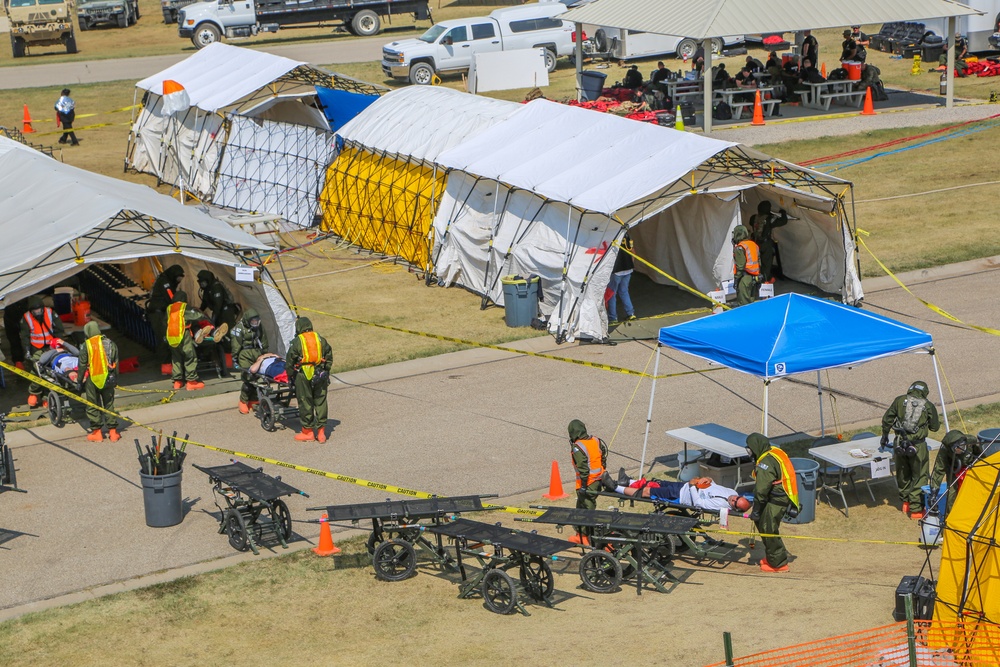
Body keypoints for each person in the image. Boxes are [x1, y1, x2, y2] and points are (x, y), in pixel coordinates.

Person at [881, 381, 940, 519]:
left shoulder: (899, 400)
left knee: (902, 473)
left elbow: (887, 419)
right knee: (919, 475)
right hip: (918, 446)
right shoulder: (928, 406)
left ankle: (905, 502)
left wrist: (884, 435)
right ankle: (916, 510)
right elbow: (935, 427)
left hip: (899, 443)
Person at [746, 432, 800, 573]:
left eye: (750, 449)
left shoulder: (765, 463)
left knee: (768, 528)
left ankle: (778, 564)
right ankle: (772, 557)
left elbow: (761, 490)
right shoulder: (775, 451)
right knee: (765, 526)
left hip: (776, 500)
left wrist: (756, 511)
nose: (749, 452)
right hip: (781, 496)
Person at [603, 471, 752, 513]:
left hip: (681, 496)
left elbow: (699, 503)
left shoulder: (721, 506)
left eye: (734, 503)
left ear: (734, 508)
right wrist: (707, 479)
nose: (733, 499)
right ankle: (627, 481)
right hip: (685, 487)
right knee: (656, 483)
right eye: (736, 498)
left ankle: (614, 487)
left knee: (648, 492)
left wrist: (694, 486)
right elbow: (714, 485)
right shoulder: (731, 491)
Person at [285, 316, 332, 443]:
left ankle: (308, 432)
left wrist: (290, 374)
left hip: (303, 374)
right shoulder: (320, 339)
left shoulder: (297, 341)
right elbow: (329, 355)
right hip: (320, 374)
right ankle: (321, 433)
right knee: (320, 401)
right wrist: (326, 370)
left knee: (305, 401)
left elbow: (290, 360)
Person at [567, 419, 608, 545]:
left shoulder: (578, 447)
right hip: (598, 480)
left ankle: (591, 538)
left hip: (587, 483)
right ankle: (581, 535)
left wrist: (584, 486)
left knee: (587, 510)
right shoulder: (595, 440)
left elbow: (583, 469)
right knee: (581, 508)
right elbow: (603, 455)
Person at [78, 321, 120, 442]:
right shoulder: (111, 343)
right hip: (108, 378)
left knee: (92, 405)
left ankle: (97, 433)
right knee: (109, 404)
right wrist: (115, 379)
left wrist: (80, 381)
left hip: (93, 379)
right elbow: (116, 363)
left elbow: (82, 364)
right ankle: (113, 433)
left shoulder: (87, 345)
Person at [20, 295, 65, 407]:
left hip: (50, 347)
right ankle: (34, 393)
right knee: (37, 371)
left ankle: (46, 397)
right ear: (31, 310)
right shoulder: (26, 317)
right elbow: (24, 336)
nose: (37, 312)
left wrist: (57, 343)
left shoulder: (50, 313)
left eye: (39, 310)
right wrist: (27, 351)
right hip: (36, 347)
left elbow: (59, 329)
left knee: (51, 372)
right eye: (35, 310)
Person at [197, 269, 238, 378]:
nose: (201, 284)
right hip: (219, 312)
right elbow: (205, 302)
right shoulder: (207, 289)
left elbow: (218, 306)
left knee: (228, 336)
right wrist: (199, 311)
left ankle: (230, 362)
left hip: (226, 313)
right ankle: (223, 357)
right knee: (220, 336)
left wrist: (213, 320)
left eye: (203, 281)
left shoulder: (216, 287)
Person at [930, 430, 982, 515]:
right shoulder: (944, 449)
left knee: (973, 494)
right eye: (956, 449)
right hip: (953, 470)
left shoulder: (971, 440)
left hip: (970, 469)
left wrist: (975, 464)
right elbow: (938, 470)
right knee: (951, 495)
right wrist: (934, 492)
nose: (959, 450)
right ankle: (950, 518)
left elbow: (981, 455)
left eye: (962, 447)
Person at [165, 291, 207, 392]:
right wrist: (201, 314)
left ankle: (177, 382)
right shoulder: (184, 307)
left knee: (176, 358)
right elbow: (197, 316)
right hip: (183, 334)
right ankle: (191, 382)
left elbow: (165, 321)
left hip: (171, 336)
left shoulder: (169, 308)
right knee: (190, 356)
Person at [147, 265, 185, 369]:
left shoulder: (165, 279)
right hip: (158, 313)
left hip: (161, 312)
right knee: (164, 338)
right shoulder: (165, 282)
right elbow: (171, 298)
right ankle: (166, 366)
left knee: (165, 338)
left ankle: (168, 363)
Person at [232, 308, 269, 414]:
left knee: (256, 377)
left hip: (257, 354)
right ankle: (243, 401)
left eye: (256, 321)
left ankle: (253, 399)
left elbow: (264, 339)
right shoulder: (239, 329)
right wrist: (235, 358)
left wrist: (264, 354)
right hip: (244, 355)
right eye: (253, 321)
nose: (255, 323)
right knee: (248, 378)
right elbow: (236, 345)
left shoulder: (259, 327)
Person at [749, 201, 788, 283]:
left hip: (755, 243)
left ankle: (756, 278)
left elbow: (750, 223)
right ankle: (765, 280)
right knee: (766, 263)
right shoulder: (769, 219)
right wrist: (783, 213)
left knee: (757, 262)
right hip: (765, 244)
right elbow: (783, 221)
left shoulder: (754, 218)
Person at [607, 233, 635, 324]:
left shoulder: (610, 234)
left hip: (616, 270)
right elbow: (633, 251)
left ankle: (613, 318)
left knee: (611, 294)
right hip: (628, 268)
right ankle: (630, 313)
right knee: (624, 291)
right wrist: (631, 264)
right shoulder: (626, 235)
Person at [731, 225, 759, 306]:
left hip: (744, 278)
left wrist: (736, 280)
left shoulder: (740, 248)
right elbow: (759, 261)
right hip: (754, 278)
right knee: (751, 302)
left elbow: (740, 266)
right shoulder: (753, 245)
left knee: (743, 304)